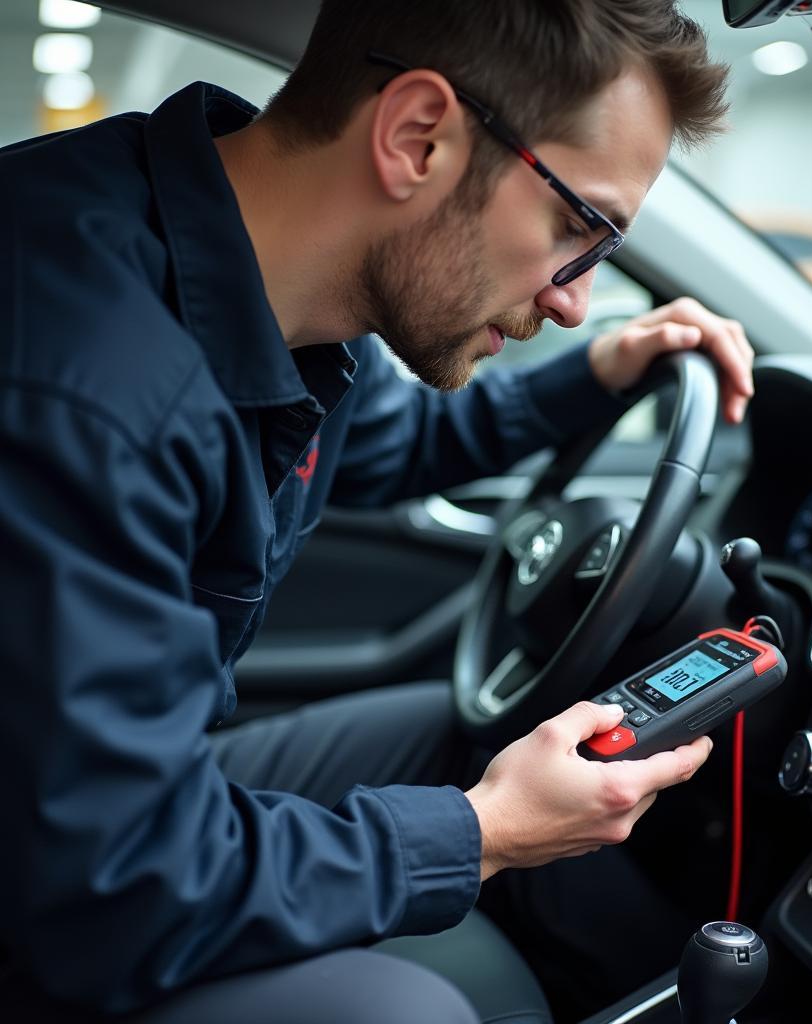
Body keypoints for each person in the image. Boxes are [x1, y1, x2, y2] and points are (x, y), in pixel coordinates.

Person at [0, 1, 752, 1020]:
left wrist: (600, 374)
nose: (575, 299)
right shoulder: (87, 387)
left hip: (97, 808)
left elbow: (395, 444)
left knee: (465, 731)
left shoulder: (260, 282)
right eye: (579, 228)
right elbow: (105, 890)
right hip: (60, 891)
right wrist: (483, 831)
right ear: (417, 138)